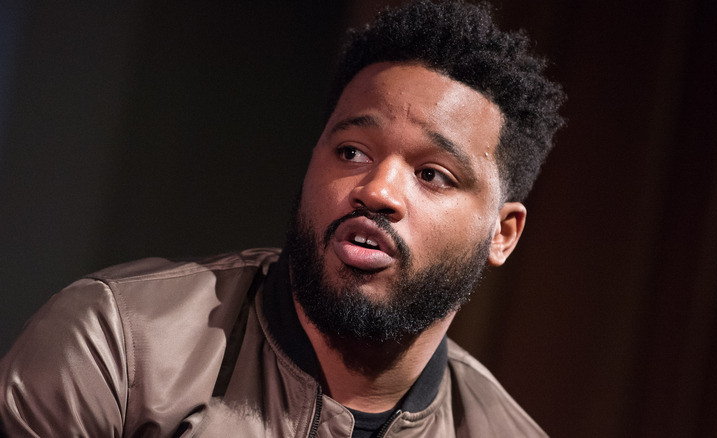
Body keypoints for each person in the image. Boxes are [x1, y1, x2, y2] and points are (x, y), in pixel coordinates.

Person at [0, 0, 564, 436]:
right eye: (352, 152)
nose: (377, 190)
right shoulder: (117, 347)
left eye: (432, 174)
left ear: (503, 233)